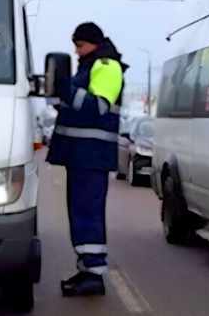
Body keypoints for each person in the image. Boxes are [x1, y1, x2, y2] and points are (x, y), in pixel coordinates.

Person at [47, 22, 127, 297]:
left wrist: (66, 90)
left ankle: (94, 275)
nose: (76, 51)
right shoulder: (88, 67)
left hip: (92, 155)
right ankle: (86, 269)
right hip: (81, 155)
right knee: (81, 214)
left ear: (93, 43)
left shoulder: (106, 65)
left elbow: (99, 107)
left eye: (79, 45)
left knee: (87, 214)